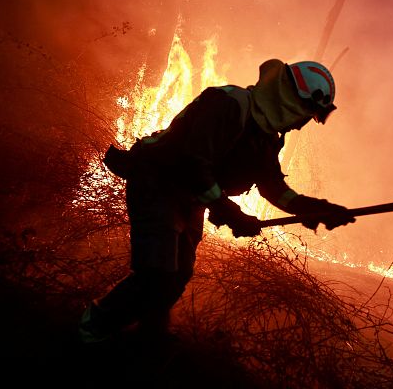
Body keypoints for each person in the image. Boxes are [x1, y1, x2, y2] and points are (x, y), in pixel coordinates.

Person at [78, 59, 356, 343]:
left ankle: (136, 337)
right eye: (307, 113)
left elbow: (272, 186)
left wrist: (313, 208)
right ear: (291, 101)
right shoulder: (228, 104)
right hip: (157, 182)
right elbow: (191, 163)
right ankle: (95, 328)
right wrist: (228, 210)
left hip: (190, 198)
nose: (301, 124)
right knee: (157, 272)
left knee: (176, 278)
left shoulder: (267, 136)